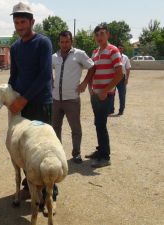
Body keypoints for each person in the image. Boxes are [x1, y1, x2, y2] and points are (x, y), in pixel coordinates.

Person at [8, 2, 58, 206]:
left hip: (39, 104)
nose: (19, 26)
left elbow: (45, 75)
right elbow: (14, 75)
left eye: (23, 21)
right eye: (16, 22)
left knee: (44, 148)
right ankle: (30, 186)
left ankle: (50, 192)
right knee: (24, 148)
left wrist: (23, 99)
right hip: (22, 106)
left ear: (32, 22)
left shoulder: (43, 43)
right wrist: (10, 97)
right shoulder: (15, 47)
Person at [82, 23, 123, 168]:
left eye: (102, 33)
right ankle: (100, 151)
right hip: (96, 94)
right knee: (98, 123)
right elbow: (92, 71)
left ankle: (105, 157)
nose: (99, 37)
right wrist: (90, 88)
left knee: (101, 123)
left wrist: (105, 90)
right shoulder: (95, 52)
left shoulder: (113, 50)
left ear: (108, 35)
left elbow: (120, 74)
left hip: (105, 95)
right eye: (97, 34)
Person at [52, 31, 94, 164]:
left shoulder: (79, 54)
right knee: (55, 128)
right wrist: (51, 82)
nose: (64, 44)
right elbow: (47, 69)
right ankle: (58, 153)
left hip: (72, 99)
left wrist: (84, 83)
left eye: (67, 41)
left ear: (71, 41)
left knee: (75, 128)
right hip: (56, 99)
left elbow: (92, 67)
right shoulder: (53, 56)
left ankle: (76, 153)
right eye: (62, 42)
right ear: (59, 42)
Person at [108, 43, 131, 115]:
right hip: (113, 77)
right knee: (111, 94)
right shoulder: (112, 57)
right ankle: (111, 110)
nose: (120, 49)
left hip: (122, 78)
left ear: (123, 49)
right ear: (116, 49)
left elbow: (128, 69)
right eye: (119, 48)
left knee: (122, 94)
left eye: (121, 48)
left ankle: (121, 110)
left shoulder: (125, 57)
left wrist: (126, 79)